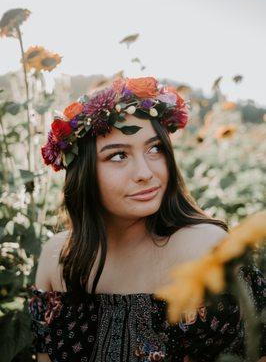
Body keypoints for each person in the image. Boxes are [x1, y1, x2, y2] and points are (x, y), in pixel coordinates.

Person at [27, 77, 265, 362]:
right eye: (118, 156)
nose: (145, 172)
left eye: (155, 149)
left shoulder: (204, 249)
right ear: (83, 172)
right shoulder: (56, 257)